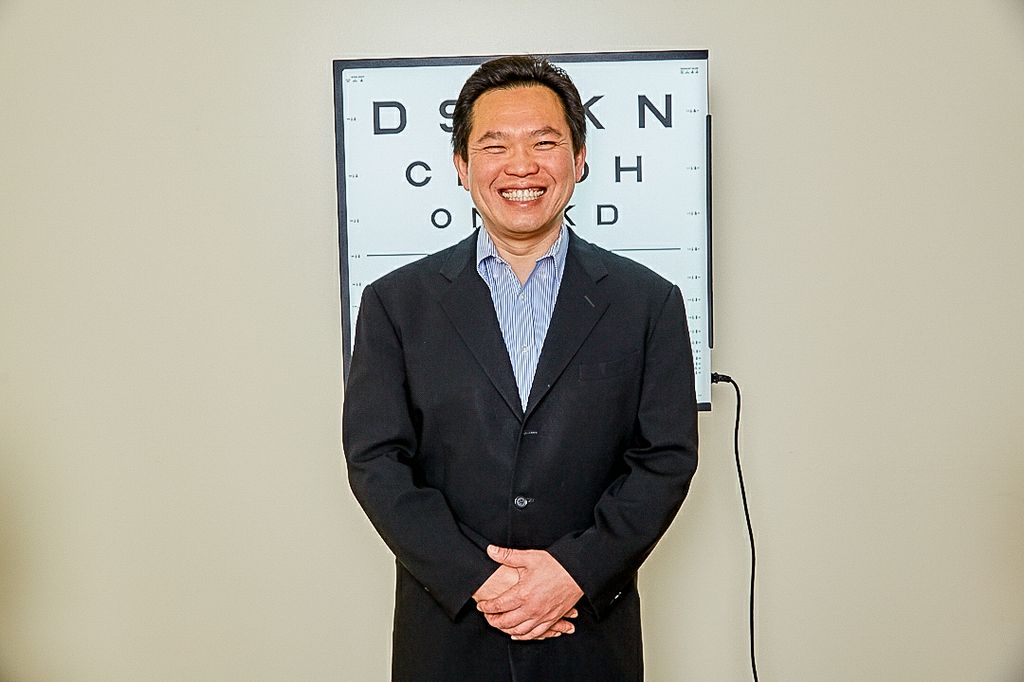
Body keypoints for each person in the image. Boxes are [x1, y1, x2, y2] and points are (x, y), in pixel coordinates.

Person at [343, 55, 698, 681]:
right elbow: (377, 462)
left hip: (588, 630)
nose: (521, 166)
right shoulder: (395, 303)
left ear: (580, 158)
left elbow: (665, 459)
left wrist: (574, 573)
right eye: (494, 145)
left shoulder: (650, 302)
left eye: (545, 142)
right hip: (450, 634)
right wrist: (480, 581)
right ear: (461, 167)